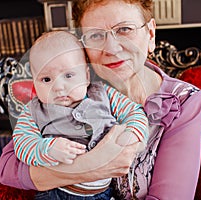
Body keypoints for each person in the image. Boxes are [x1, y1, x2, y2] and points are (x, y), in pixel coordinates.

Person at [0, 0, 201, 199]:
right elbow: (8, 168)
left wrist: (54, 175)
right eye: (96, 35)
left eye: (124, 29)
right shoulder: (71, 86)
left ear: (150, 34)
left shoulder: (186, 101)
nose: (112, 49)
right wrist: (90, 166)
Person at [13, 30, 148, 199]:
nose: (59, 87)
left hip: (103, 192)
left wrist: (132, 134)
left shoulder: (104, 94)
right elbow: (22, 143)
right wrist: (48, 149)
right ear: (34, 82)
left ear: (85, 75)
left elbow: (134, 112)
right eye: (46, 79)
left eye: (69, 75)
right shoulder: (33, 111)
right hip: (57, 193)